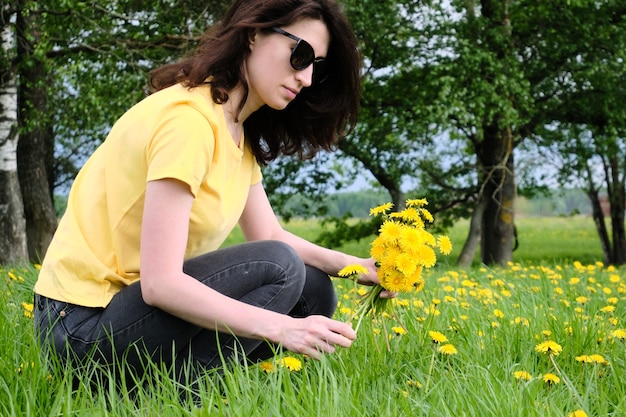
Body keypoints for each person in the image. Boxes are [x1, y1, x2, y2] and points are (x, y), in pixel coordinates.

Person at [33, 0, 389, 385]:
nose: (304, 78)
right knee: (280, 266)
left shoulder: (235, 128)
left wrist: (358, 268)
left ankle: (166, 392)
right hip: (79, 329)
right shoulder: (189, 122)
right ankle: (177, 392)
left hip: (131, 318)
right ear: (254, 34)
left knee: (313, 289)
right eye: (300, 55)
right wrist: (279, 329)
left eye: (315, 66)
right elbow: (161, 284)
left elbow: (268, 234)